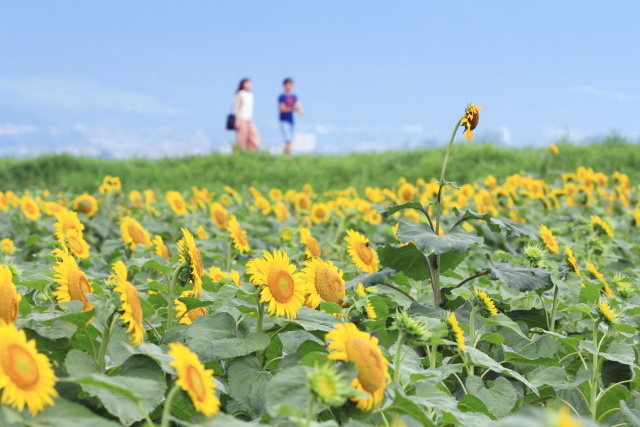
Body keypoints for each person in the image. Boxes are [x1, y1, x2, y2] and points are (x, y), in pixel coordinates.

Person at [278, 78, 304, 155]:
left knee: (289, 140)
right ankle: (289, 156)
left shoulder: (294, 96)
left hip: (291, 121)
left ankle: (284, 156)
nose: (289, 86)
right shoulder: (281, 97)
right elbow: (282, 109)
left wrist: (300, 110)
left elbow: (298, 104)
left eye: (291, 85)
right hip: (284, 120)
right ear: (284, 86)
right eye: (288, 85)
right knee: (288, 140)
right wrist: (294, 109)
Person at [234, 78, 260, 151]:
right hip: (242, 118)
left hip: (249, 119)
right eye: (247, 83)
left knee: (254, 137)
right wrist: (237, 120)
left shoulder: (251, 95)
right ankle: (238, 153)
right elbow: (237, 107)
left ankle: (250, 153)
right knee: (241, 138)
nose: (249, 85)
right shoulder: (241, 93)